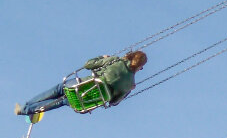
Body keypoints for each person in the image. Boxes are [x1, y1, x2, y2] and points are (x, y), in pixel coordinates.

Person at [14, 51, 147, 118]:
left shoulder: (116, 61)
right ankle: (26, 110)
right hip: (86, 102)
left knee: (60, 89)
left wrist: (103, 58)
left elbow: (88, 64)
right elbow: (114, 102)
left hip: (79, 87)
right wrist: (127, 91)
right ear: (139, 66)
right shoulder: (130, 84)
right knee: (63, 101)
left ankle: (26, 107)